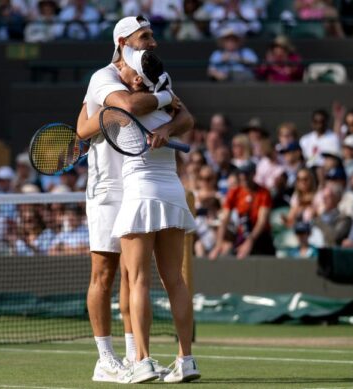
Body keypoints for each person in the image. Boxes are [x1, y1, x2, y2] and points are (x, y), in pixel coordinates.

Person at [73, 15, 194, 383]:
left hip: (140, 185)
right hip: (109, 187)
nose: (153, 42)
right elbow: (123, 107)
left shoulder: (152, 73)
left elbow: (185, 114)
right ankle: (105, 358)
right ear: (123, 42)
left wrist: (168, 124)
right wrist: (161, 97)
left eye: (153, 36)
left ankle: (134, 356)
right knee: (105, 273)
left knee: (132, 276)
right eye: (146, 36)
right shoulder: (103, 78)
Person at [107, 47, 200, 384]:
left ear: (135, 77)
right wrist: (169, 125)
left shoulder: (120, 99)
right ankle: (186, 359)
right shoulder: (168, 99)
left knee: (138, 279)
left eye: (125, 66)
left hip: (142, 194)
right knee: (174, 278)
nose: (119, 67)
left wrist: (168, 130)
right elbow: (186, 117)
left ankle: (143, 360)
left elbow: (125, 109)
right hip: (172, 192)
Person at [210, 162, 275, 259]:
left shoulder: (263, 193)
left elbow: (262, 221)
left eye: (247, 174)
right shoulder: (234, 192)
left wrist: (250, 241)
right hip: (243, 233)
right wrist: (218, 244)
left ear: (253, 174)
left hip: (260, 236)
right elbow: (225, 219)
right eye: (241, 174)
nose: (243, 177)